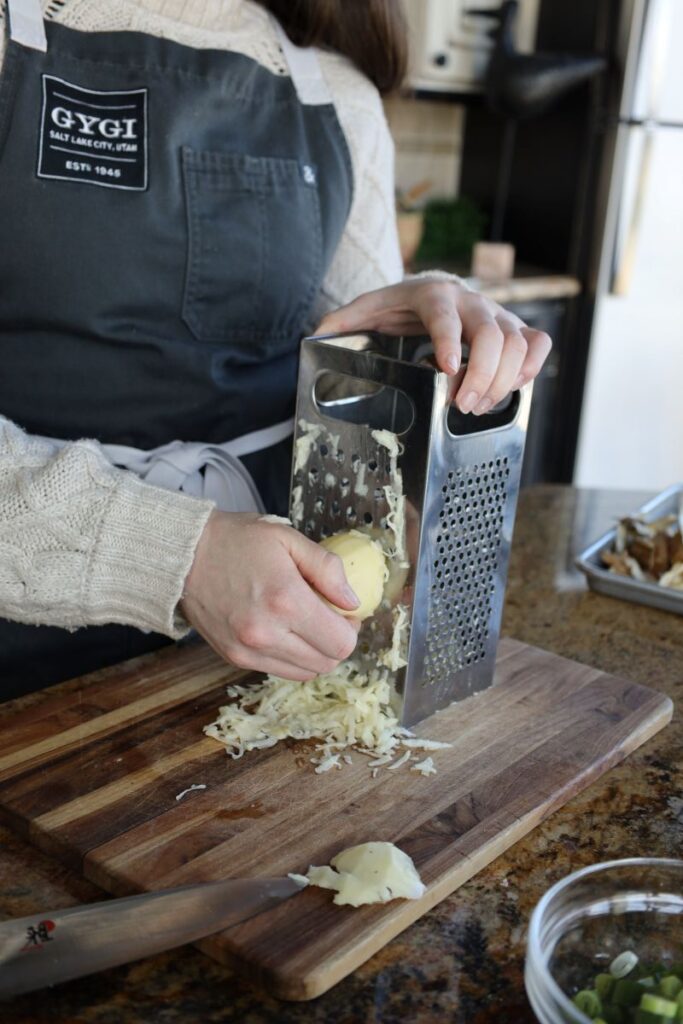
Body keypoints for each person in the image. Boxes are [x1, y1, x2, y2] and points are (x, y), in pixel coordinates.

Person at [0, 0, 551, 699]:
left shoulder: (338, 95)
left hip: (276, 647)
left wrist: (429, 320)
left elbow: (364, 341)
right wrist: (180, 555)